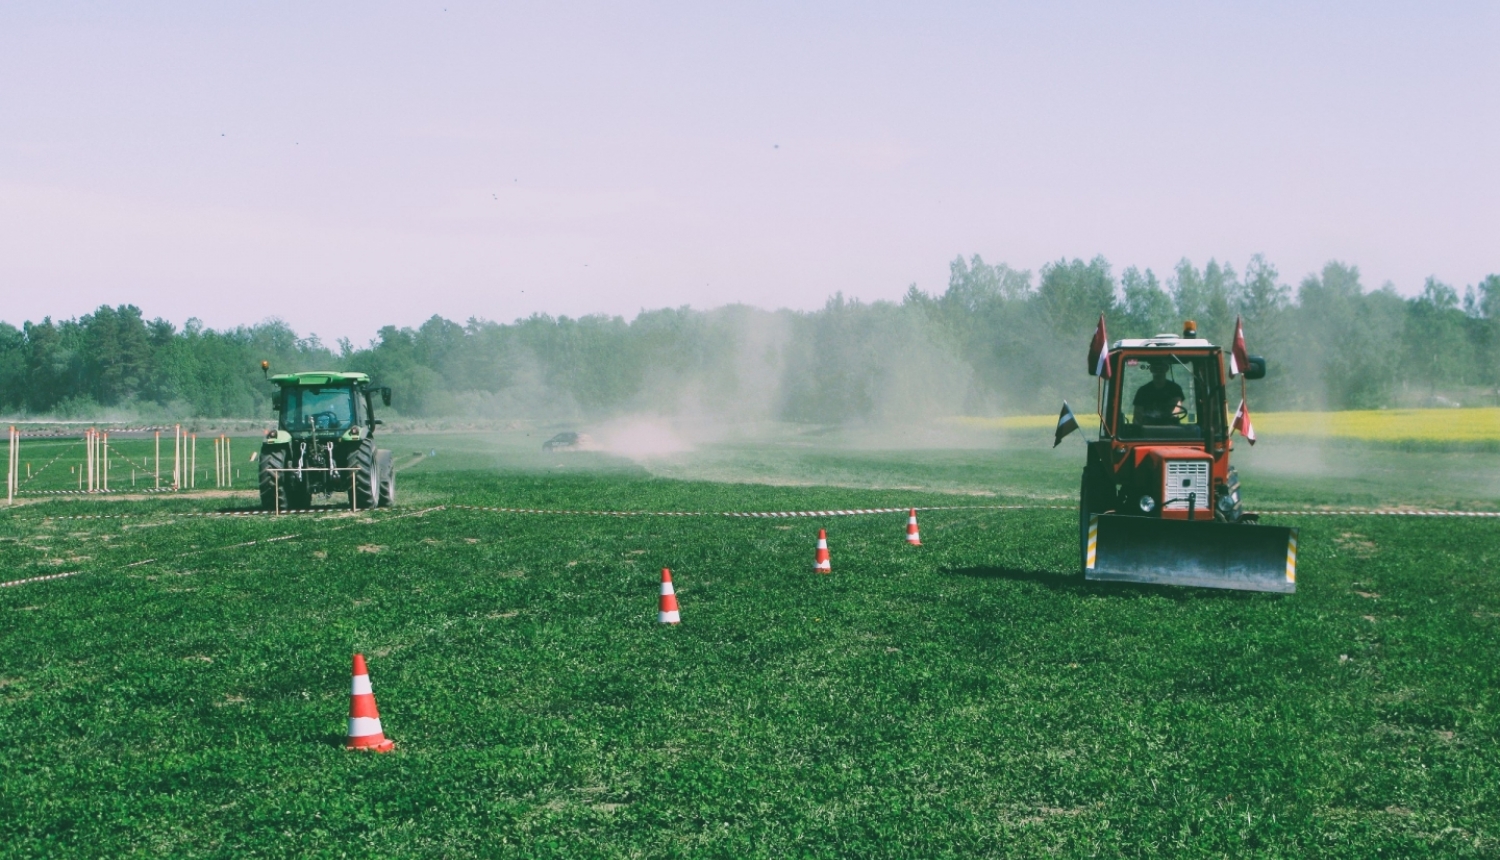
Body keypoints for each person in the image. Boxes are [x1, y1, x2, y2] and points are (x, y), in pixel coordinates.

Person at [1133, 359, 1185, 423]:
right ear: (1151, 369)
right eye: (1155, 367)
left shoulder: (1175, 389)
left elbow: (1176, 410)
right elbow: (1138, 414)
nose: (1158, 370)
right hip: (1148, 428)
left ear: (1166, 369)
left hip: (1170, 428)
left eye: (1161, 367)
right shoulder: (1143, 391)